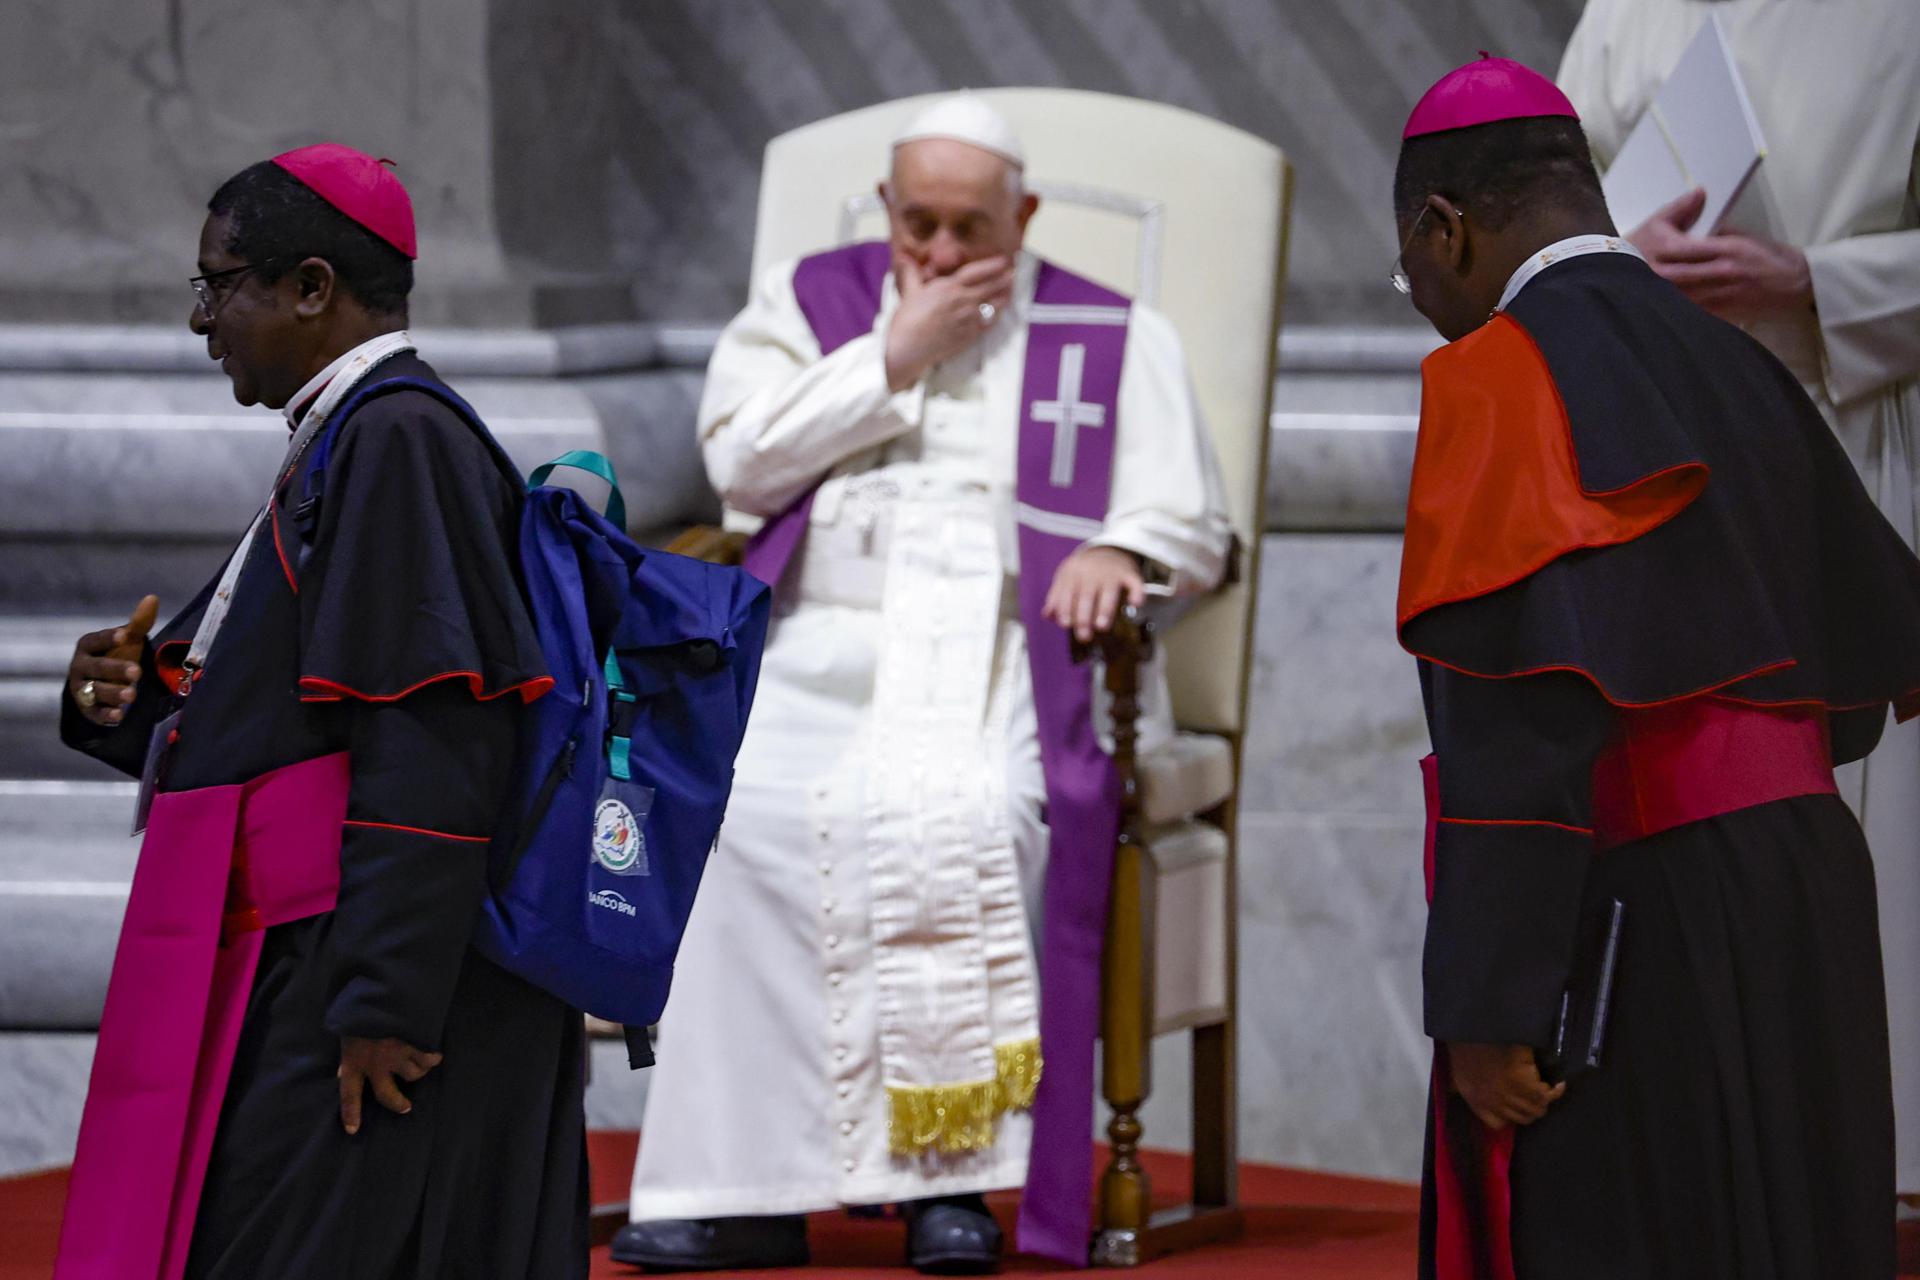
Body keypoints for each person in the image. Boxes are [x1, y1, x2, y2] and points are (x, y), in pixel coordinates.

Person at [613, 95, 1230, 1274]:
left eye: (971, 229)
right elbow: (737, 462)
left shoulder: (1110, 334)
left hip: (1008, 641)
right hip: (824, 641)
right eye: (919, 227)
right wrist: (891, 354)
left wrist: (1119, 549)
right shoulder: (809, 302)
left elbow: (1190, 518)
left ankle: (946, 1187)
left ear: (1026, 214)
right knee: (740, 819)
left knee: (982, 815)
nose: (941, 255)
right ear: (889, 209)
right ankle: (736, 1184)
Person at [1392, 56, 1920, 1278]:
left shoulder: (1494, 377)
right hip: (1808, 892)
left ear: (1445, 227)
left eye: (1409, 268)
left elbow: (1518, 724)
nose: (1420, 296)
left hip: (1640, 916)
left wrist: (1488, 997)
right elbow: (1878, 642)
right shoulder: (1745, 361)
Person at [53, 144, 587, 1280]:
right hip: (324, 949)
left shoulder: (400, 437)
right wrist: (131, 697)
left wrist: (384, 1000)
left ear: (309, 286)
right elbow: (297, 707)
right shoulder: (353, 432)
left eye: (219, 283)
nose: (204, 322)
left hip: (363, 970)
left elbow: (434, 729)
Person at [1557, 0, 1920, 1194]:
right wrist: (1613, 252)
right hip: (1655, 450)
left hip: (1854, 439)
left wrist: (1818, 278)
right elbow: (1554, 192)